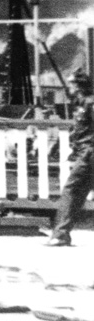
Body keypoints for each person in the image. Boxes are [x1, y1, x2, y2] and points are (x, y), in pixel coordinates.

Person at [46, 69, 94, 247]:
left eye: (71, 85)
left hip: (90, 153)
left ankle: (60, 234)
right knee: (76, 192)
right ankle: (61, 233)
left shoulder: (91, 103)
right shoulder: (81, 104)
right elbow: (78, 129)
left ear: (79, 86)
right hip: (85, 152)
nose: (69, 88)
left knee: (72, 191)